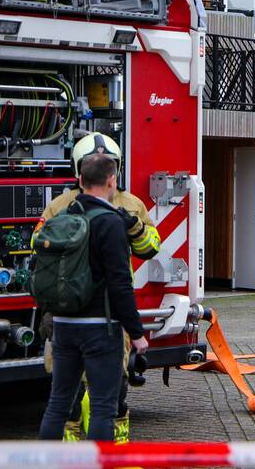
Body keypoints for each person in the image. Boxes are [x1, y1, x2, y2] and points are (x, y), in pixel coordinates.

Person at [32, 132, 161, 442]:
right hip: (103, 319)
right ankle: (92, 454)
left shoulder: (72, 207)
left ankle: (52, 458)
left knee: (63, 401)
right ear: (112, 177)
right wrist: (136, 330)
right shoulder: (100, 214)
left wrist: (136, 228)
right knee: (97, 403)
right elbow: (119, 281)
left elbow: (151, 246)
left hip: (64, 318)